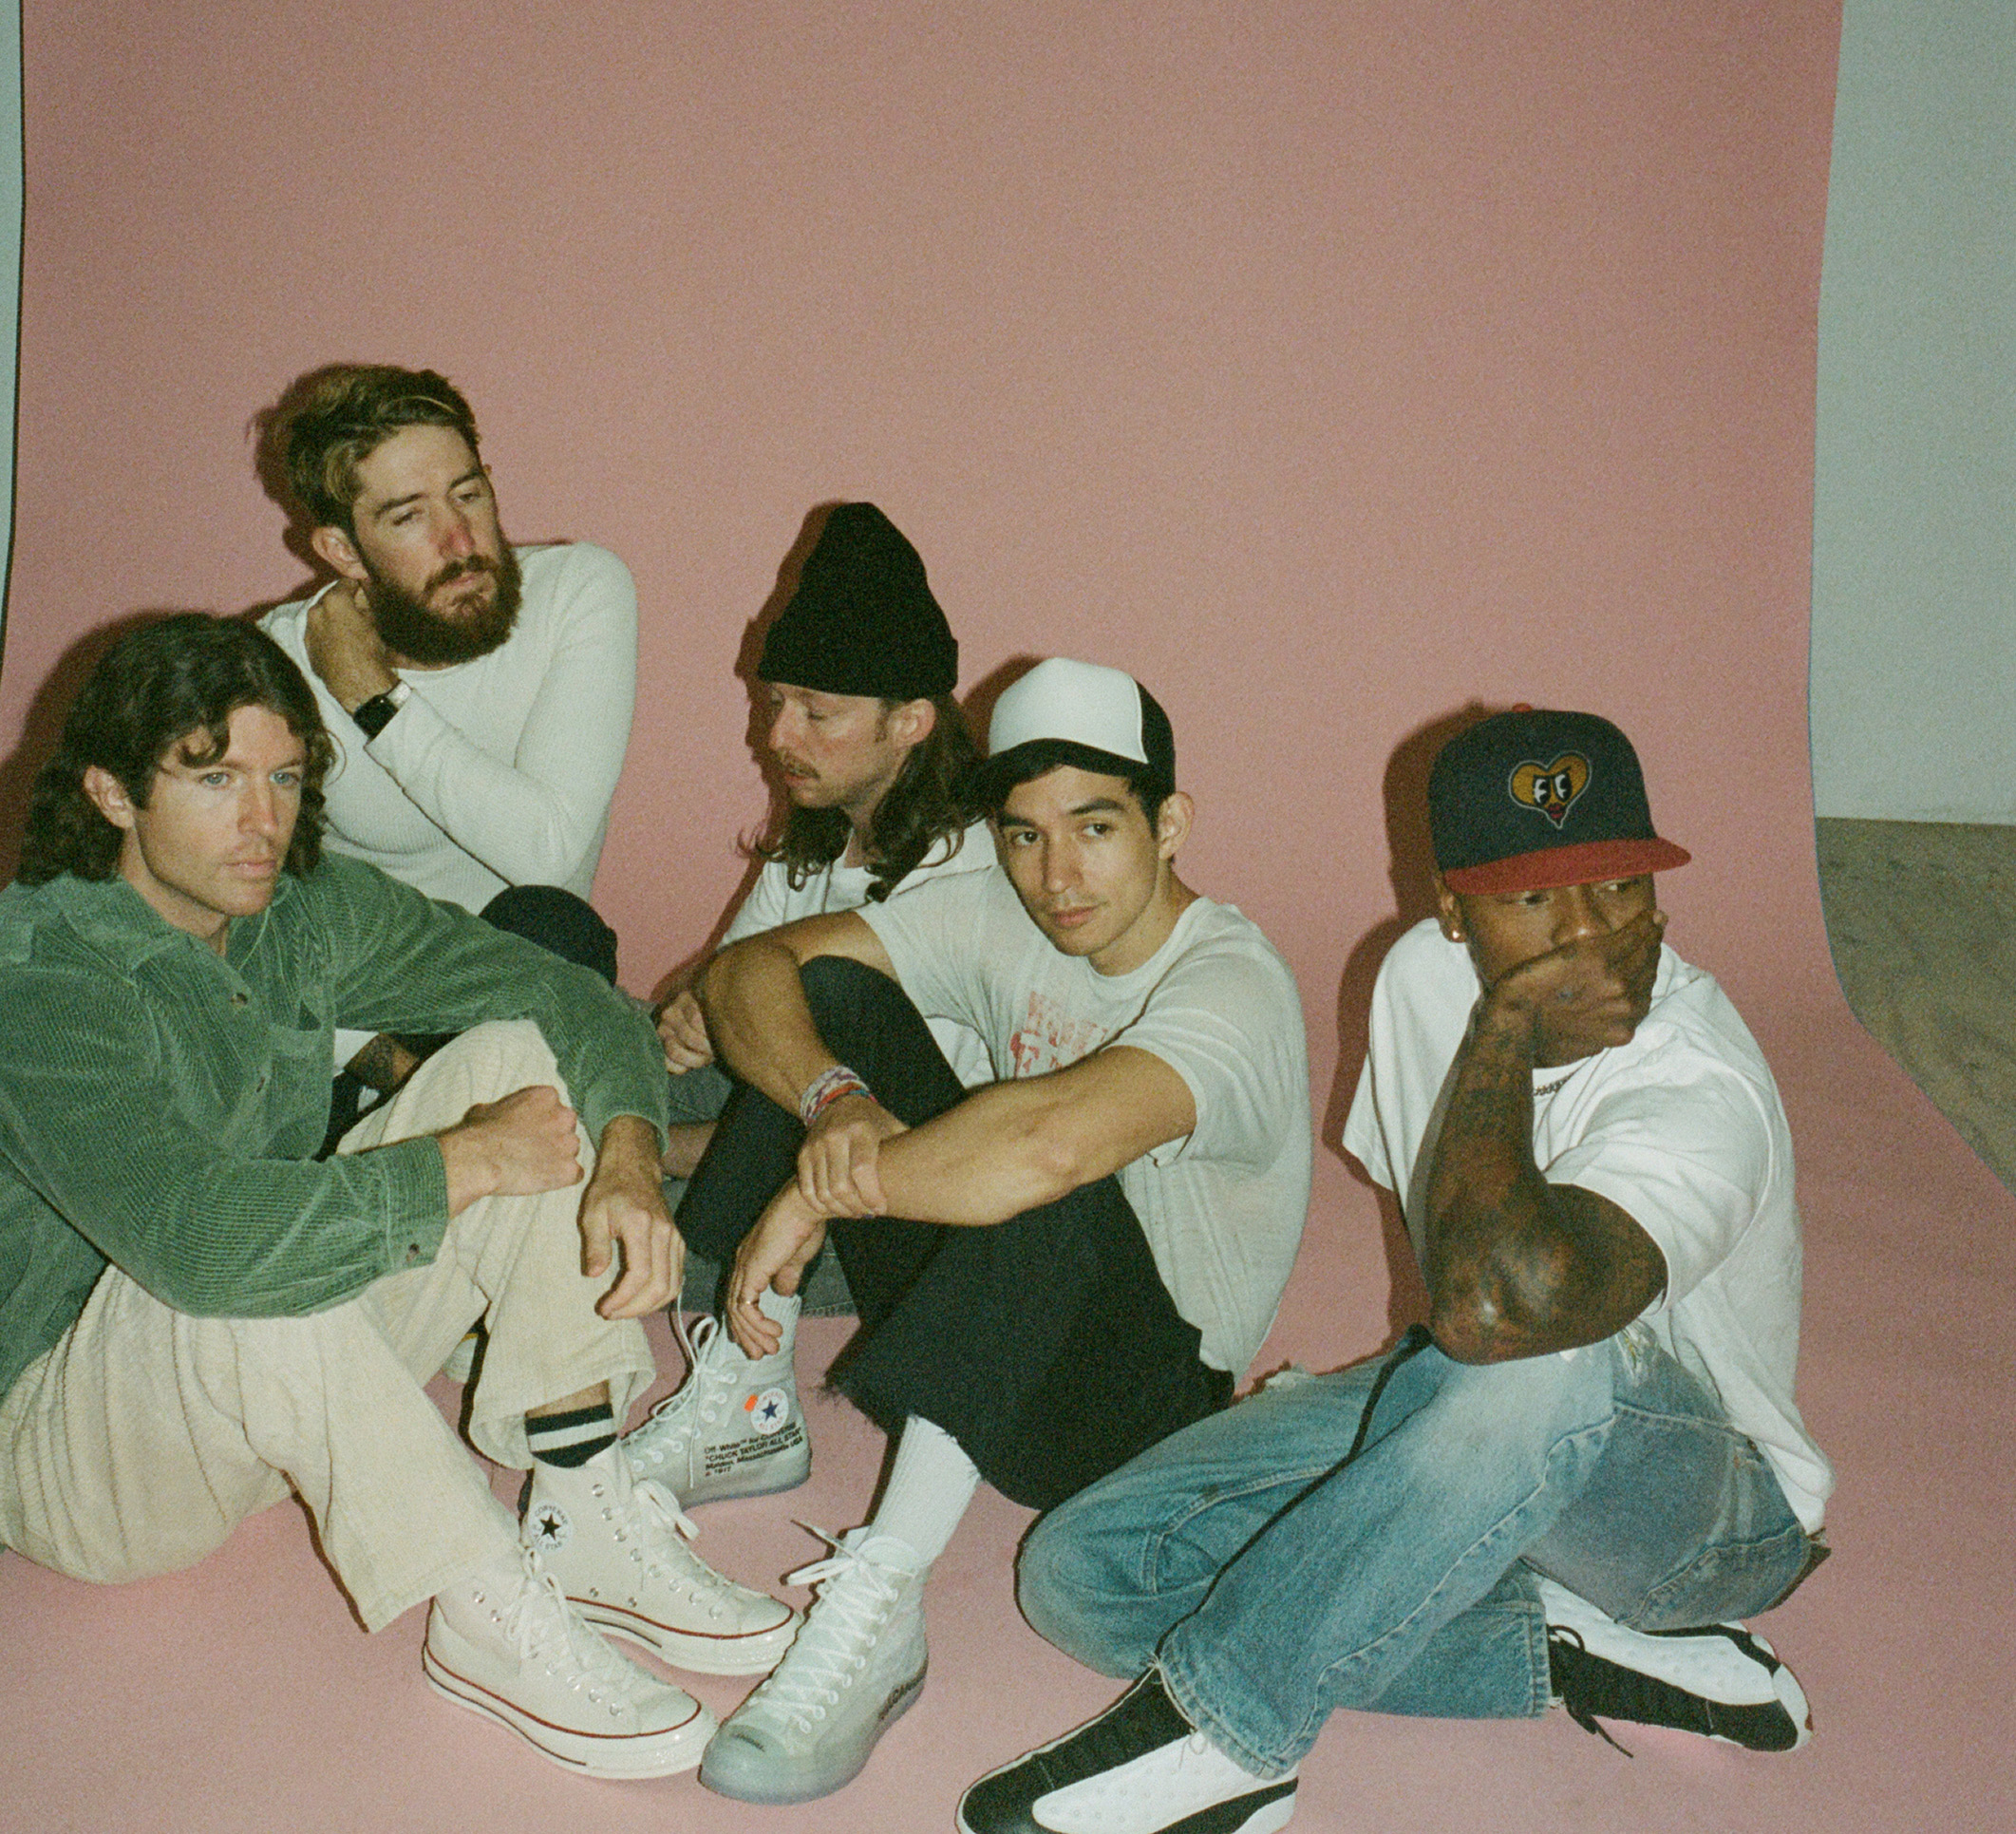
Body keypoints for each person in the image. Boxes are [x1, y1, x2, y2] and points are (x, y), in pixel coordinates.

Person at [0, 614, 794, 1783]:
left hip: (270, 1390)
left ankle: (581, 1502)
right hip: (83, 1457)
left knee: (519, 1062)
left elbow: (565, 994)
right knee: (246, 1261)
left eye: (283, 776)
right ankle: (480, 1605)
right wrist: (460, 1163)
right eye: (214, 778)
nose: (261, 819)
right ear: (112, 792)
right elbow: (200, 1243)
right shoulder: (35, 989)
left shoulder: (293, 906)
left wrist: (632, 1152)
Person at [968, 707, 1832, 1834]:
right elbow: (1453, 1267)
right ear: (1453, 911)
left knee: (1536, 1354)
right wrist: (1391, 1425)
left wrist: (1506, 1025)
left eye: (1618, 885)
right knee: (1083, 1573)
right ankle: (1563, 1645)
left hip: (1702, 1517)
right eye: (1531, 899)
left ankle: (1230, 1731)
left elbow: (1506, 1317)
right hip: (1494, 1398)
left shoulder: (1697, 1086)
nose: (1585, 933)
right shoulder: (1421, 976)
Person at [669, 657, 1312, 1804]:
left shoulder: (1233, 985)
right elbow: (750, 969)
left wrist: (817, 1190)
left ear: (1170, 825)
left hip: (1133, 1415)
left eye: (1094, 827)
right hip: (986, 1313)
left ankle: (883, 1605)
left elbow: (1045, 1148)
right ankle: (748, 1403)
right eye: (1022, 835)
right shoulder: (1001, 912)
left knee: (1037, 1168)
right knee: (829, 1004)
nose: (1056, 875)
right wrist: (833, 1100)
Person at [630, 501, 997, 1505]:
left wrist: (639, 1148)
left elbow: (865, 1123)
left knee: (602, 1220)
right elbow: (727, 991)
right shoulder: (825, 826)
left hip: (887, 1197)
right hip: (783, 1115)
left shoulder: (964, 876)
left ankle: (747, 1406)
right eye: (774, 700)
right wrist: (693, 1008)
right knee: (583, 1011)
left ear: (911, 719)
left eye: (816, 713)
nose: (776, 736)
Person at [258, 364, 634, 1124]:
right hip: (354, 1031)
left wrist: (375, 698)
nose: (460, 540)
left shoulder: (578, 592)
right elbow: (251, 907)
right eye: (408, 517)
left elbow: (548, 854)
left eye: (468, 495)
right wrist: (389, 1066)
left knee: (553, 926)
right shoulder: (281, 661)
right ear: (341, 548)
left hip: (518, 981)